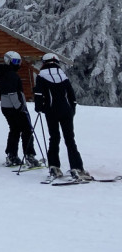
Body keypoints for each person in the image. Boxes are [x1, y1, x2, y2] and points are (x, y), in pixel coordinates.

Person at [33, 53, 91, 182]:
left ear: (44, 63)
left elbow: (38, 94)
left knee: (54, 138)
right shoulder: (63, 75)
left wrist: (40, 108)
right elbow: (71, 95)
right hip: (66, 111)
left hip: (51, 111)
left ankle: (54, 167)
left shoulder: (41, 76)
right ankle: (77, 167)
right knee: (70, 139)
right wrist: (72, 110)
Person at [0, 51, 40, 168]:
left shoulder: (3, 72)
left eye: (19, 61)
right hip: (14, 107)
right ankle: (29, 156)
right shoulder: (11, 74)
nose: (18, 64)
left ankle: (12, 155)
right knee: (27, 130)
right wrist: (19, 106)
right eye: (16, 61)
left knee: (15, 130)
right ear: (8, 61)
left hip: (6, 107)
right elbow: (12, 92)